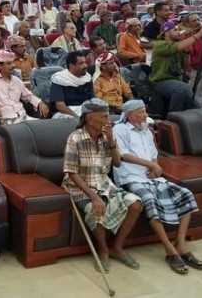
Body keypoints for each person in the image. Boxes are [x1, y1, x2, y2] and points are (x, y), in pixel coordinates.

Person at [113, 100, 202, 275]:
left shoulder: (146, 131)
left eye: (144, 111)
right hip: (130, 178)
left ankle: (180, 243)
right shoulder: (119, 129)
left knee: (185, 194)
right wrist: (151, 165)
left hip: (150, 178)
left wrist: (155, 168)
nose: (145, 115)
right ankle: (169, 250)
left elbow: (154, 155)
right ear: (130, 115)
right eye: (141, 112)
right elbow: (122, 155)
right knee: (149, 200)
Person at [62, 98, 143, 274]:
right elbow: (71, 173)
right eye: (104, 117)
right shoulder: (75, 138)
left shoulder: (106, 137)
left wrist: (111, 141)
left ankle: (117, 246)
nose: (108, 120)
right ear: (90, 118)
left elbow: (117, 163)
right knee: (96, 209)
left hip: (104, 183)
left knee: (136, 204)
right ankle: (103, 249)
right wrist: (94, 197)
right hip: (80, 188)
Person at [149, 22, 202, 114]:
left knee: (196, 106)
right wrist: (200, 34)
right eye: (175, 30)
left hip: (176, 81)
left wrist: (187, 39)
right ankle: (173, 116)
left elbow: (186, 64)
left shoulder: (178, 44)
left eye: (179, 30)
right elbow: (178, 47)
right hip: (160, 81)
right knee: (182, 88)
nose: (178, 32)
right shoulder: (160, 44)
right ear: (167, 33)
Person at [0, 50, 49, 124]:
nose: (13, 66)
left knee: (43, 125)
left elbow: (28, 95)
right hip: (6, 119)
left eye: (12, 62)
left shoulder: (16, 80)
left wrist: (40, 102)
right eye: (9, 63)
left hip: (23, 116)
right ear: (0, 66)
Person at [50, 51, 95, 118]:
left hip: (85, 110)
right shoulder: (59, 79)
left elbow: (93, 99)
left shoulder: (87, 78)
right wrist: (77, 117)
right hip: (66, 113)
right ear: (72, 66)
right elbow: (60, 106)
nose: (85, 66)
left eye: (85, 62)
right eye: (81, 63)